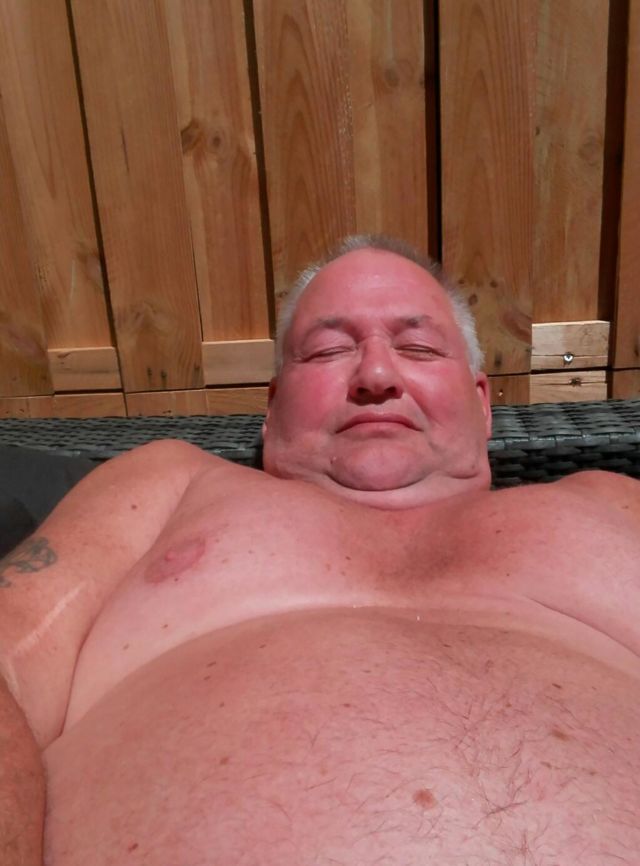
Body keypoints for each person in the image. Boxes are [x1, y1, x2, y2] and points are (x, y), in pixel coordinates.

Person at [1, 235, 639, 866]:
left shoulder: (612, 503)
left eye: (418, 348)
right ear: (272, 407)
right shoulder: (170, 483)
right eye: (328, 351)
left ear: (481, 404)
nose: (377, 376)